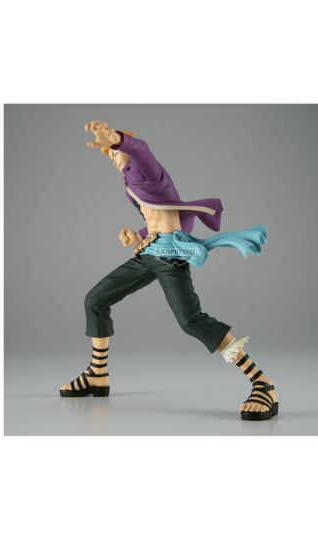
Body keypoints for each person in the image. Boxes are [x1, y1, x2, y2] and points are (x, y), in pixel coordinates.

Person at [59, 120, 278, 421]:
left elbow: (142, 150)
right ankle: (97, 374)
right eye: (109, 155)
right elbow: (160, 216)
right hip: (149, 251)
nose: (113, 157)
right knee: (95, 300)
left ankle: (262, 383)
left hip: (170, 256)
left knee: (192, 321)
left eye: (115, 152)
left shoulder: (146, 169)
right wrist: (138, 235)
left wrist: (116, 138)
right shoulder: (130, 182)